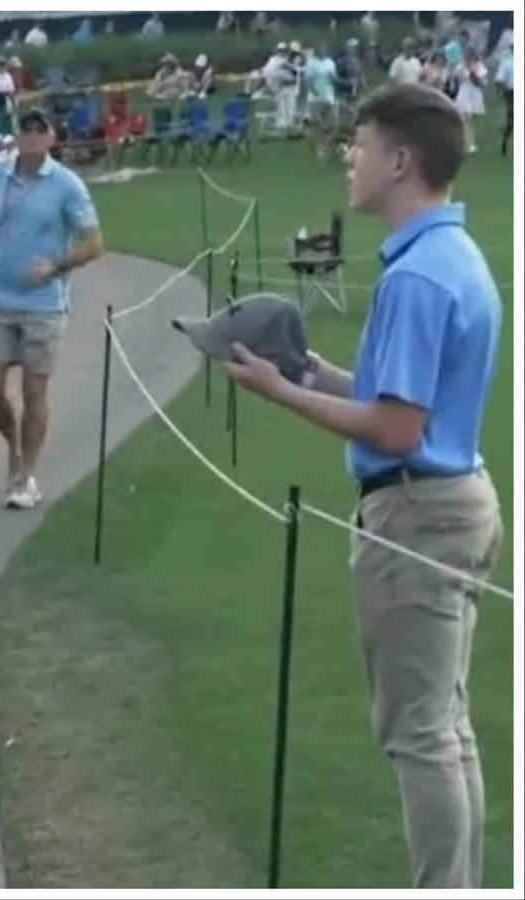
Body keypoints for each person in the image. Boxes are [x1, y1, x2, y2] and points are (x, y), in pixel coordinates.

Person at [225, 82, 502, 891]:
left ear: (401, 160)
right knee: (444, 726)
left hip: (417, 512)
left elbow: (394, 430)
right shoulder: (449, 255)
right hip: (455, 501)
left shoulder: (415, 278)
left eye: (362, 143)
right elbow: (397, 396)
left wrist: (281, 396)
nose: (350, 157)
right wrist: (314, 372)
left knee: (419, 732)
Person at [0, 109, 104, 510]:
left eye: (38, 130)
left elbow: (94, 243)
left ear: (51, 138)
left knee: (34, 390)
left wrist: (56, 265)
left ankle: (25, 475)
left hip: (43, 303)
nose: (30, 136)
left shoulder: (66, 184)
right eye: (25, 130)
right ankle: (12, 444)